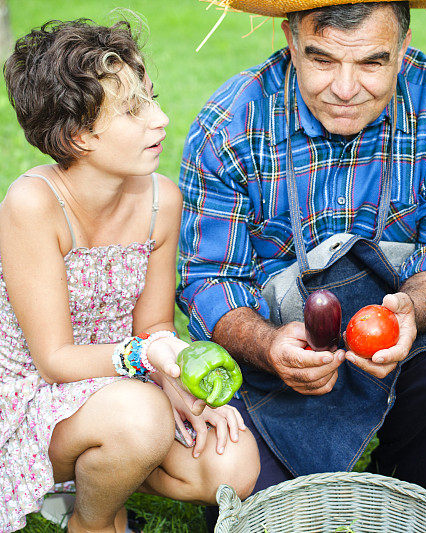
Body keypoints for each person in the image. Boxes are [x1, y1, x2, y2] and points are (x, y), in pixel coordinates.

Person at [178, 0, 426, 502]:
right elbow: (208, 280)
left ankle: (403, 482)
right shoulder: (232, 124)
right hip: (274, 360)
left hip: (396, 342)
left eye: (372, 62)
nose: (346, 90)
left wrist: (409, 311)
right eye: (323, 59)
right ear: (290, 41)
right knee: (268, 502)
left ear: (403, 47)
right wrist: (267, 347)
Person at [0, 19, 258, 533]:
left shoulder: (161, 200)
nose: (160, 118)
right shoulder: (32, 205)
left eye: (153, 98)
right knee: (140, 418)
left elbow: (155, 325)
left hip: (124, 385)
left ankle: (107, 472)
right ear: (78, 135)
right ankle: (93, 521)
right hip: (32, 394)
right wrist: (145, 362)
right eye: (134, 110)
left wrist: (176, 383)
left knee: (232, 463)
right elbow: (53, 361)